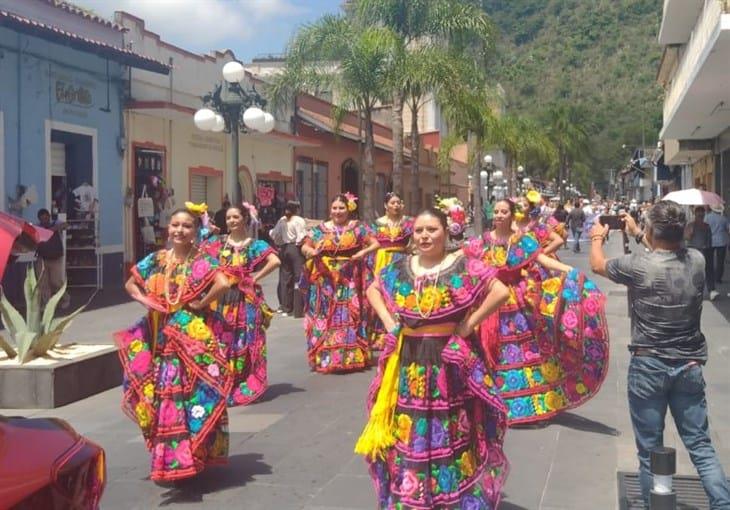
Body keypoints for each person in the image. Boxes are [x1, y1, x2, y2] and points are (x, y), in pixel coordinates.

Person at [356, 207, 510, 510]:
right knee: (410, 423)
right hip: (409, 358)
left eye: (432, 230)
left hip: (446, 360)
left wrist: (469, 324)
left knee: (451, 424)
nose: (425, 236)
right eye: (419, 231)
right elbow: (373, 289)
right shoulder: (400, 267)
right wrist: (389, 322)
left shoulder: (462, 265)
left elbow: (500, 291)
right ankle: (413, 492)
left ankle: (449, 495)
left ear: (446, 231)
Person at [589, 201, 730, 509]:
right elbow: (667, 248)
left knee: (649, 450)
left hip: (648, 365)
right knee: (701, 447)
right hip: (688, 366)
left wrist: (597, 237)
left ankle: (656, 504)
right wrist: (639, 233)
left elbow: (598, 264)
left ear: (653, 229)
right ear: (685, 230)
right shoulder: (698, 260)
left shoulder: (637, 266)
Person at [465, 198, 609, 425]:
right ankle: (490, 401)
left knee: (524, 349)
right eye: (497, 212)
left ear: (512, 215)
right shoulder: (480, 243)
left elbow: (543, 260)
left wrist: (573, 272)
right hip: (489, 302)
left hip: (517, 302)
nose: (500, 215)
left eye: (504, 211)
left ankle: (530, 406)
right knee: (489, 350)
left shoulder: (522, 241)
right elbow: (461, 260)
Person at [115, 206, 232, 482]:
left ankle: (192, 452)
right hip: (158, 335)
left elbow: (223, 283)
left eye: (187, 226)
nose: (179, 230)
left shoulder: (201, 260)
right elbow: (131, 284)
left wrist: (201, 303)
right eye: (175, 225)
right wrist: (145, 300)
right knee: (160, 395)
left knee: (192, 392)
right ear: (169, 228)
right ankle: (170, 456)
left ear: (195, 232)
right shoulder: (156, 259)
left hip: (188, 338)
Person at [200, 203, 280, 406]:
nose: (232, 221)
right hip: (221, 300)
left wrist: (254, 277)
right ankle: (222, 383)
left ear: (245, 218)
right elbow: (198, 257)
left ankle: (243, 382)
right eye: (228, 218)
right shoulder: (218, 243)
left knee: (243, 340)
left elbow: (275, 261)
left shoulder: (254, 244)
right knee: (220, 340)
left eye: (236, 217)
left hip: (244, 299)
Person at [300, 193, 380, 373]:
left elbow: (375, 243)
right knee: (325, 313)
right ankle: (325, 356)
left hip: (350, 276)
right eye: (334, 208)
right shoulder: (320, 229)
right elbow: (305, 245)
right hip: (325, 278)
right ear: (330, 209)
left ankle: (351, 355)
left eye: (341, 208)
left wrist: (362, 253)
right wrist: (311, 252)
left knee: (349, 312)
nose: (338, 211)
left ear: (348, 209)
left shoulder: (357, 228)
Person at [364, 192, 414, 349]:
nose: (396, 205)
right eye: (392, 203)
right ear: (385, 205)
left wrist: (410, 250)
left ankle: (401, 327)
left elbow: (416, 240)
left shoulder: (408, 223)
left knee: (399, 293)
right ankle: (380, 334)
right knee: (381, 293)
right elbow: (368, 242)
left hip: (400, 259)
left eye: (398, 202)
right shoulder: (376, 224)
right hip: (381, 260)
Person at [269, 201, 307, 317]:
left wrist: (279, 243)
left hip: (284, 249)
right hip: (295, 248)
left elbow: (274, 234)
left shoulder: (282, 220)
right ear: (297, 209)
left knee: (285, 278)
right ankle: (299, 307)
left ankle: (286, 307)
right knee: (299, 277)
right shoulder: (299, 220)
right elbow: (301, 236)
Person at [34, 208, 68, 307]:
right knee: (43, 283)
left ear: (49, 216)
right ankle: (48, 305)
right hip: (42, 258)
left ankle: (65, 298)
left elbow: (66, 225)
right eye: (42, 219)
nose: (44, 221)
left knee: (56, 281)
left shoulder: (55, 222)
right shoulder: (38, 227)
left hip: (56, 258)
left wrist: (53, 229)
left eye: (46, 218)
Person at [515, 192, 564, 256]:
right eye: (518, 205)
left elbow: (559, 241)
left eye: (525, 205)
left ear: (531, 209)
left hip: (532, 264)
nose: (521, 208)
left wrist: (541, 254)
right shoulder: (509, 224)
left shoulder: (536, 226)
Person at [685, 206, 717, 301]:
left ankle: (711, 290)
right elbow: (686, 237)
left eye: (702, 215)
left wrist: (708, 247)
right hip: (694, 250)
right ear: (695, 215)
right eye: (699, 215)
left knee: (708, 270)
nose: (700, 217)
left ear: (704, 215)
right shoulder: (690, 225)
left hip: (704, 251)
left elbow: (709, 240)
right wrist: (690, 233)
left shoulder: (706, 226)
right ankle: (694, 291)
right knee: (694, 271)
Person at [706, 204, 729, 284]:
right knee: (720, 261)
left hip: (710, 241)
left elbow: (705, 228)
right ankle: (718, 278)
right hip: (722, 242)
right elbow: (728, 229)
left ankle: (710, 276)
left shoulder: (707, 217)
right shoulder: (724, 218)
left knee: (709, 260)